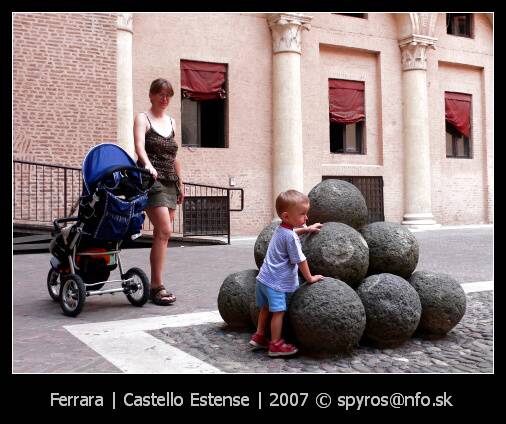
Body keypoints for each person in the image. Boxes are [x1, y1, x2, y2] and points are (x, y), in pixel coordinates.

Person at [250, 189, 325, 357]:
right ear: (286, 216)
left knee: (265, 307)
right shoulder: (290, 237)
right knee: (278, 311)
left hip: (263, 279)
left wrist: (306, 229)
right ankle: (275, 345)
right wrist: (310, 278)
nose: (306, 218)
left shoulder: (281, 229)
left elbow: (291, 233)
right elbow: (300, 259)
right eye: (303, 214)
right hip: (275, 283)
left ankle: (260, 335)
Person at [133, 78, 184, 305]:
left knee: (162, 236)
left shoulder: (172, 122)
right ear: (151, 95)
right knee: (165, 229)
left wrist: (181, 182)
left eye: (168, 95)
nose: (164, 99)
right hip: (150, 179)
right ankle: (157, 286)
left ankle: (156, 284)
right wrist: (148, 165)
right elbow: (139, 147)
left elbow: (175, 156)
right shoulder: (143, 119)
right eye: (160, 94)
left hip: (170, 181)